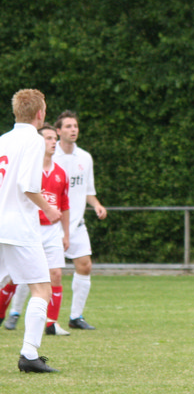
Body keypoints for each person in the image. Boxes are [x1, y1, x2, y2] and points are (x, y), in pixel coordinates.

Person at [0, 89, 64, 373]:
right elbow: (28, 186)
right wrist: (48, 209)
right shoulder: (34, 140)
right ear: (40, 113)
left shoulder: (3, 140)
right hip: (19, 227)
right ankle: (29, 355)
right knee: (41, 289)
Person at [0, 125, 72, 336]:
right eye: (48, 138)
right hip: (29, 228)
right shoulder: (28, 167)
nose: (52, 142)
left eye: (54, 138)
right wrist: (46, 208)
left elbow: (65, 205)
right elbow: (26, 189)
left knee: (55, 275)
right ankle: (7, 313)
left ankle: (51, 323)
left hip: (51, 230)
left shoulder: (61, 173)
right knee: (16, 278)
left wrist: (66, 234)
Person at [54, 110, 107, 330]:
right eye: (68, 126)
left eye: (75, 126)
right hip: (52, 224)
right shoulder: (49, 156)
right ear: (58, 131)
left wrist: (97, 205)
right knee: (45, 273)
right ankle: (15, 313)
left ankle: (76, 317)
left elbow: (88, 191)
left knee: (85, 266)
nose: (73, 129)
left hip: (76, 224)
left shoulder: (85, 157)